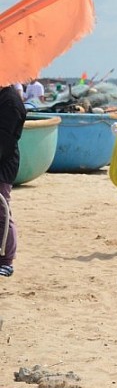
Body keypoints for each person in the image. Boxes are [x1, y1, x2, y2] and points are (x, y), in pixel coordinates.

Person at [0, 85, 27, 277]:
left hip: (4, 163)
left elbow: (4, 140)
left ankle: (6, 259)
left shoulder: (10, 101)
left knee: (2, 211)